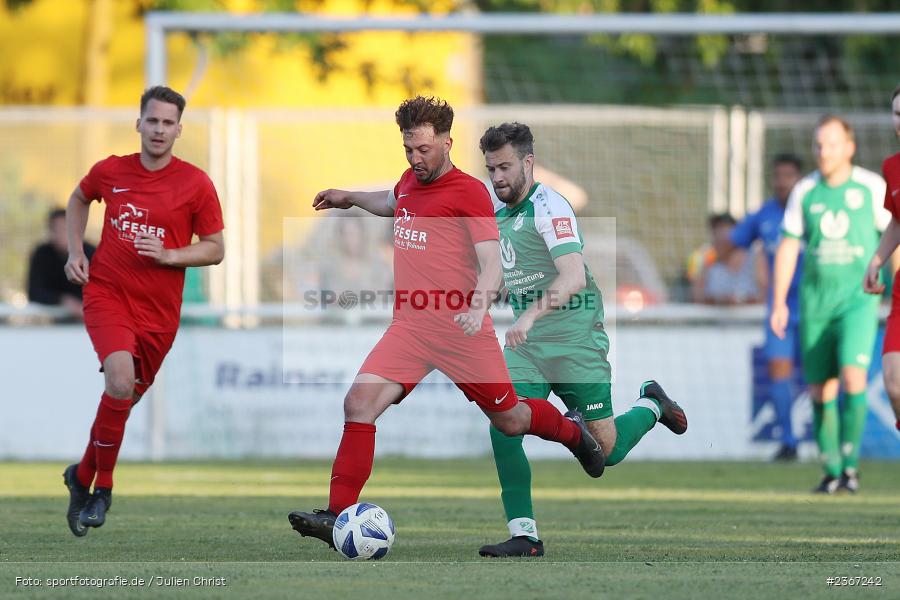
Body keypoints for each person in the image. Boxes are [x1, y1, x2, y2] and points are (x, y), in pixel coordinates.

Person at [287, 97, 607, 550]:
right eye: (408, 150)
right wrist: (350, 197)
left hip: (462, 331)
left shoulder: (469, 192)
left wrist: (479, 305)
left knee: (512, 420)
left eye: (423, 150)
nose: (416, 159)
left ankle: (573, 432)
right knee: (359, 403)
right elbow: (395, 201)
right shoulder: (408, 182)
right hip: (411, 329)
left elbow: (492, 263)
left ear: (447, 143)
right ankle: (337, 515)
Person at [477, 122, 688, 558]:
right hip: (529, 347)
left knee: (605, 455)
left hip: (575, 340)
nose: (497, 177)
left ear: (528, 163)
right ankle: (525, 536)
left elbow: (572, 277)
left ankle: (652, 405)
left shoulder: (550, 206)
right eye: (490, 169)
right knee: (503, 420)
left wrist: (530, 314)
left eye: (504, 167)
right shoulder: (498, 215)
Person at [61, 86, 225, 536]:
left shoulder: (195, 184)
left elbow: (215, 249)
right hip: (107, 293)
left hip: (158, 315)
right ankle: (103, 490)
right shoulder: (111, 170)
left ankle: (79, 477)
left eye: (167, 123)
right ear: (138, 123)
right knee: (118, 380)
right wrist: (76, 252)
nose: (158, 130)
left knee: (123, 399)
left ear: (179, 130)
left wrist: (170, 255)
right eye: (151, 121)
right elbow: (78, 198)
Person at [771, 115, 889, 494]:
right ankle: (830, 469)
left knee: (854, 376)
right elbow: (789, 245)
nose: (824, 152)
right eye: (819, 145)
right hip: (816, 303)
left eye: (832, 144)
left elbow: (894, 234)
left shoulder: (871, 186)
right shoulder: (805, 191)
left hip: (858, 300)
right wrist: (778, 302)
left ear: (849, 147)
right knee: (822, 389)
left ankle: (851, 467)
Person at [729, 154, 805, 461]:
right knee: (779, 371)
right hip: (780, 307)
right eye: (778, 175)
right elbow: (732, 247)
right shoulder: (764, 215)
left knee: (824, 376)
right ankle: (789, 441)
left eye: (789, 175)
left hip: (818, 305)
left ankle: (838, 446)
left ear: (800, 179)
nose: (783, 182)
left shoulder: (815, 211)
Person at [864, 83, 900, 433]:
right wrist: (876, 260)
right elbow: (897, 222)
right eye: (896, 113)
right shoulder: (892, 167)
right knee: (893, 382)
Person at [27, 208, 96, 320]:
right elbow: (34, 292)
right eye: (56, 229)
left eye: (65, 229)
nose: (60, 234)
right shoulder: (41, 254)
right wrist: (63, 300)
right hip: (53, 320)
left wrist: (81, 303)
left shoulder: (91, 253)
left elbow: (102, 289)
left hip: (90, 319)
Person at [691, 213, 765, 305]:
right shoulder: (705, 257)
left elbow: (765, 295)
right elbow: (698, 298)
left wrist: (741, 300)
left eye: (725, 230)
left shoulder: (755, 257)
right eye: (717, 231)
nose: (721, 236)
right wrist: (719, 301)